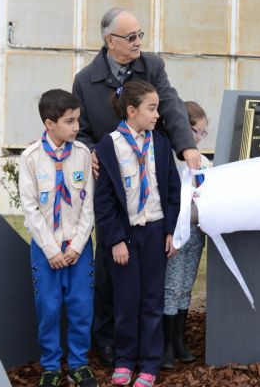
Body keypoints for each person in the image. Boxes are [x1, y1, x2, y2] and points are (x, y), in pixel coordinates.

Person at [72, 7, 199, 365]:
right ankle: (109, 340)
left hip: (151, 186)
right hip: (113, 188)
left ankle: (150, 344)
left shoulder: (152, 66)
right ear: (109, 41)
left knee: (150, 272)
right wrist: (92, 152)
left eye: (140, 34)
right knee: (111, 265)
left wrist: (186, 144)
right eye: (131, 37)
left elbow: (171, 106)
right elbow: (80, 130)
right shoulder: (85, 80)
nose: (139, 43)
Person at [93, 80, 180, 387]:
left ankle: (150, 363)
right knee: (126, 301)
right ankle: (126, 360)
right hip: (126, 237)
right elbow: (103, 201)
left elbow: (172, 191)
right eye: (152, 108)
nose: (157, 115)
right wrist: (115, 239)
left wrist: (170, 230)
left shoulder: (161, 143)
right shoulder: (108, 146)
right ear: (132, 111)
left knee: (152, 301)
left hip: (155, 231)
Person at [18, 89, 96, 387]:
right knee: (48, 307)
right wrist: (51, 249)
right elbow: (30, 208)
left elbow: (87, 204)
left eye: (78, 120)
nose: (77, 127)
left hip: (78, 246)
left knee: (80, 304)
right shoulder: (31, 158)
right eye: (70, 121)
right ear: (50, 124)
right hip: (46, 247)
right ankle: (50, 365)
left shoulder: (83, 154)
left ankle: (79, 364)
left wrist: (77, 245)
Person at [162, 101, 210, 369]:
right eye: (194, 130)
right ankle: (165, 344)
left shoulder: (202, 161)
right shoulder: (169, 156)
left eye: (202, 133)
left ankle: (179, 342)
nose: (197, 137)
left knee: (185, 289)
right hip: (174, 233)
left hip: (195, 232)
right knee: (171, 287)